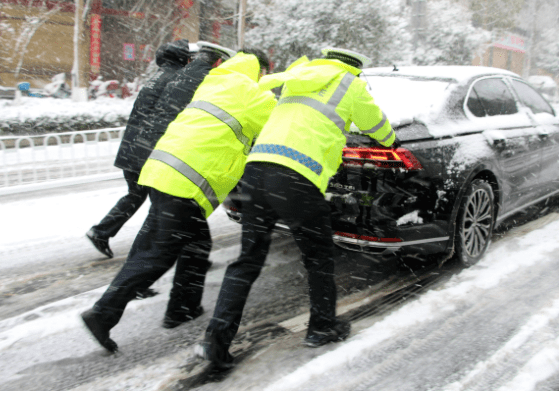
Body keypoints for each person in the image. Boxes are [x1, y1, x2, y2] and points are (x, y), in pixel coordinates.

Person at [195, 48, 398, 370]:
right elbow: (378, 128)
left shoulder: (297, 78)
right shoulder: (350, 84)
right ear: (356, 69)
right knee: (318, 257)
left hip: (257, 170)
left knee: (247, 261)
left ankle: (215, 341)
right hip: (296, 177)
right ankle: (321, 327)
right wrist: (391, 140)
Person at [80, 48, 277, 353]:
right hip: (187, 183)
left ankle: (182, 309)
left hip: (162, 170)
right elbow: (274, 132)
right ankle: (103, 314)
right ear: (262, 71)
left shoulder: (214, 82)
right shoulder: (256, 95)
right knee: (157, 256)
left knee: (195, 246)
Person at [86, 39, 191, 259]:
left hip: (133, 146)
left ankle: (101, 231)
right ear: (183, 58)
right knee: (162, 208)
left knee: (136, 196)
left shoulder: (156, 78)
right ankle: (150, 258)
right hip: (149, 152)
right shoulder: (176, 80)